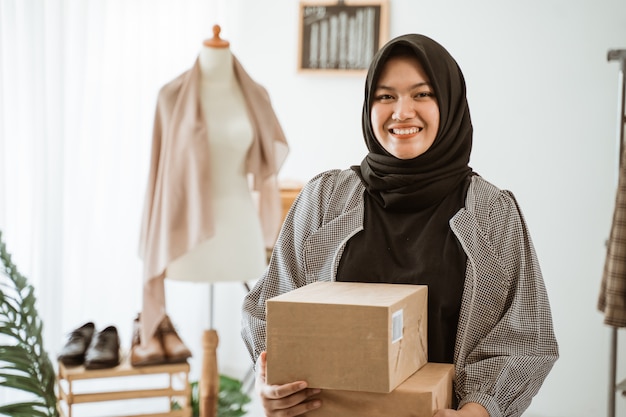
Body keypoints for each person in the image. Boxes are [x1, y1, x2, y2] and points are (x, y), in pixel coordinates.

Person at [241, 33, 559, 417]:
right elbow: (267, 310)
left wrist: (477, 412)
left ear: (450, 102)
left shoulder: (491, 212)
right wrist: (271, 382)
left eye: (422, 94)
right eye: (385, 96)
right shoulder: (325, 199)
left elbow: (524, 339)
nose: (402, 111)